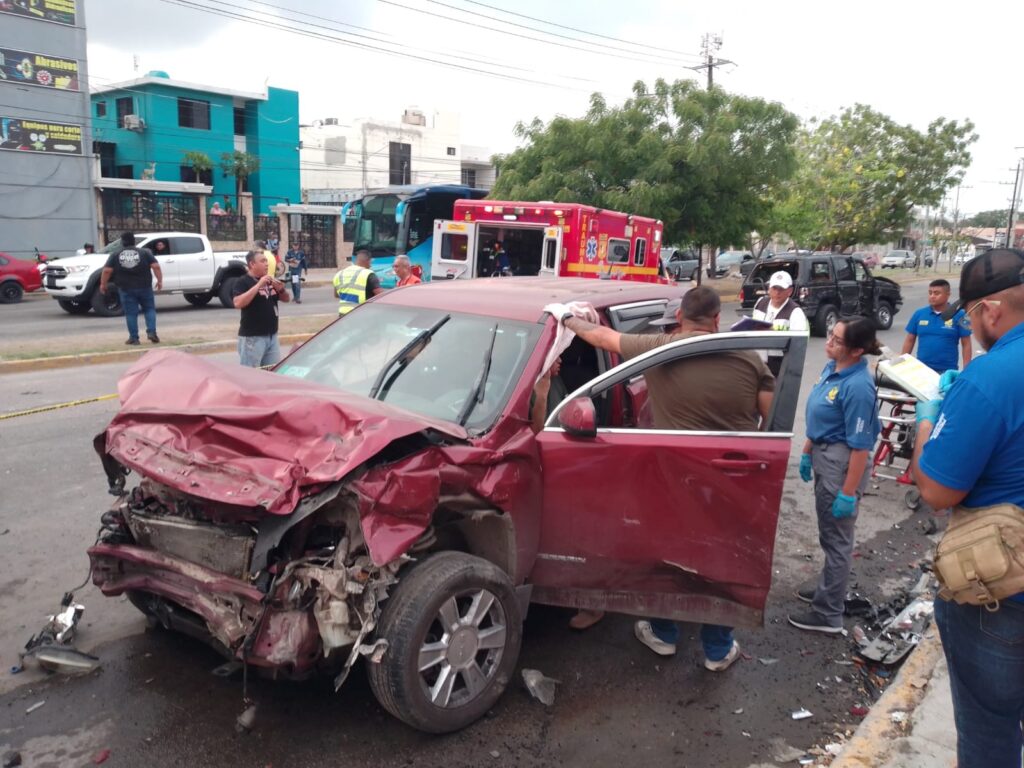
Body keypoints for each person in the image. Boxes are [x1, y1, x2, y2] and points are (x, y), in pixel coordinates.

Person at [559, 287, 775, 671]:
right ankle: (717, 649)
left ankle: (663, 633)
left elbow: (600, 337)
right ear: (717, 320)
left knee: (668, 551)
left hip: (674, 474)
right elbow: (771, 420)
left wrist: (562, 315)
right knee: (722, 558)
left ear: (679, 318)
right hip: (733, 475)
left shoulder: (660, 348)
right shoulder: (749, 357)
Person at [911, 249, 1024, 768]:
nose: (972, 325)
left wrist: (927, 422)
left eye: (972, 313)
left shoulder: (991, 377)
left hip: (1004, 591)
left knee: (988, 727)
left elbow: (935, 490)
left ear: (992, 310)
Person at [789, 317, 881, 634]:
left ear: (856, 350)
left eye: (837, 340)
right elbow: (823, 417)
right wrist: (805, 450)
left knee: (838, 539)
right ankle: (830, 590)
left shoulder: (858, 387)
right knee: (829, 534)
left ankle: (828, 613)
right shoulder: (834, 368)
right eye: (831, 335)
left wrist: (848, 492)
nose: (829, 341)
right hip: (824, 453)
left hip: (841, 463)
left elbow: (860, 446)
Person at [99, 231, 163, 346]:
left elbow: (107, 270)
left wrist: (103, 284)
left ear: (122, 242)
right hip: (145, 287)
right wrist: (159, 280)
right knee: (149, 309)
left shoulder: (115, 254)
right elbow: (156, 266)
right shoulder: (145, 252)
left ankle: (134, 338)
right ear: (134, 241)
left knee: (131, 313)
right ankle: (152, 332)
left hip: (126, 288)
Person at [901, 278, 973, 373]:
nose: (932, 296)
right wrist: (901, 364)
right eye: (930, 293)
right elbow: (909, 340)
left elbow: (966, 344)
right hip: (922, 370)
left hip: (947, 371)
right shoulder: (919, 314)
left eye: (936, 293)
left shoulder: (961, 315)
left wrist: (966, 370)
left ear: (948, 295)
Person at [232, 249, 290, 367]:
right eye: (263, 261)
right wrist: (259, 285)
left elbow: (286, 299)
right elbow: (238, 303)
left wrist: (281, 289)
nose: (267, 264)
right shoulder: (243, 281)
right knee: (251, 376)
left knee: (272, 373)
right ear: (252, 264)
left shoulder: (269, 280)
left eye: (266, 261)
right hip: (253, 338)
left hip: (272, 336)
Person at [333, 249, 382, 315]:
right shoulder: (368, 274)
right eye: (370, 262)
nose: (370, 265)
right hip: (361, 314)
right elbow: (380, 295)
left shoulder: (339, 274)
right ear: (368, 261)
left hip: (343, 315)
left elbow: (336, 295)